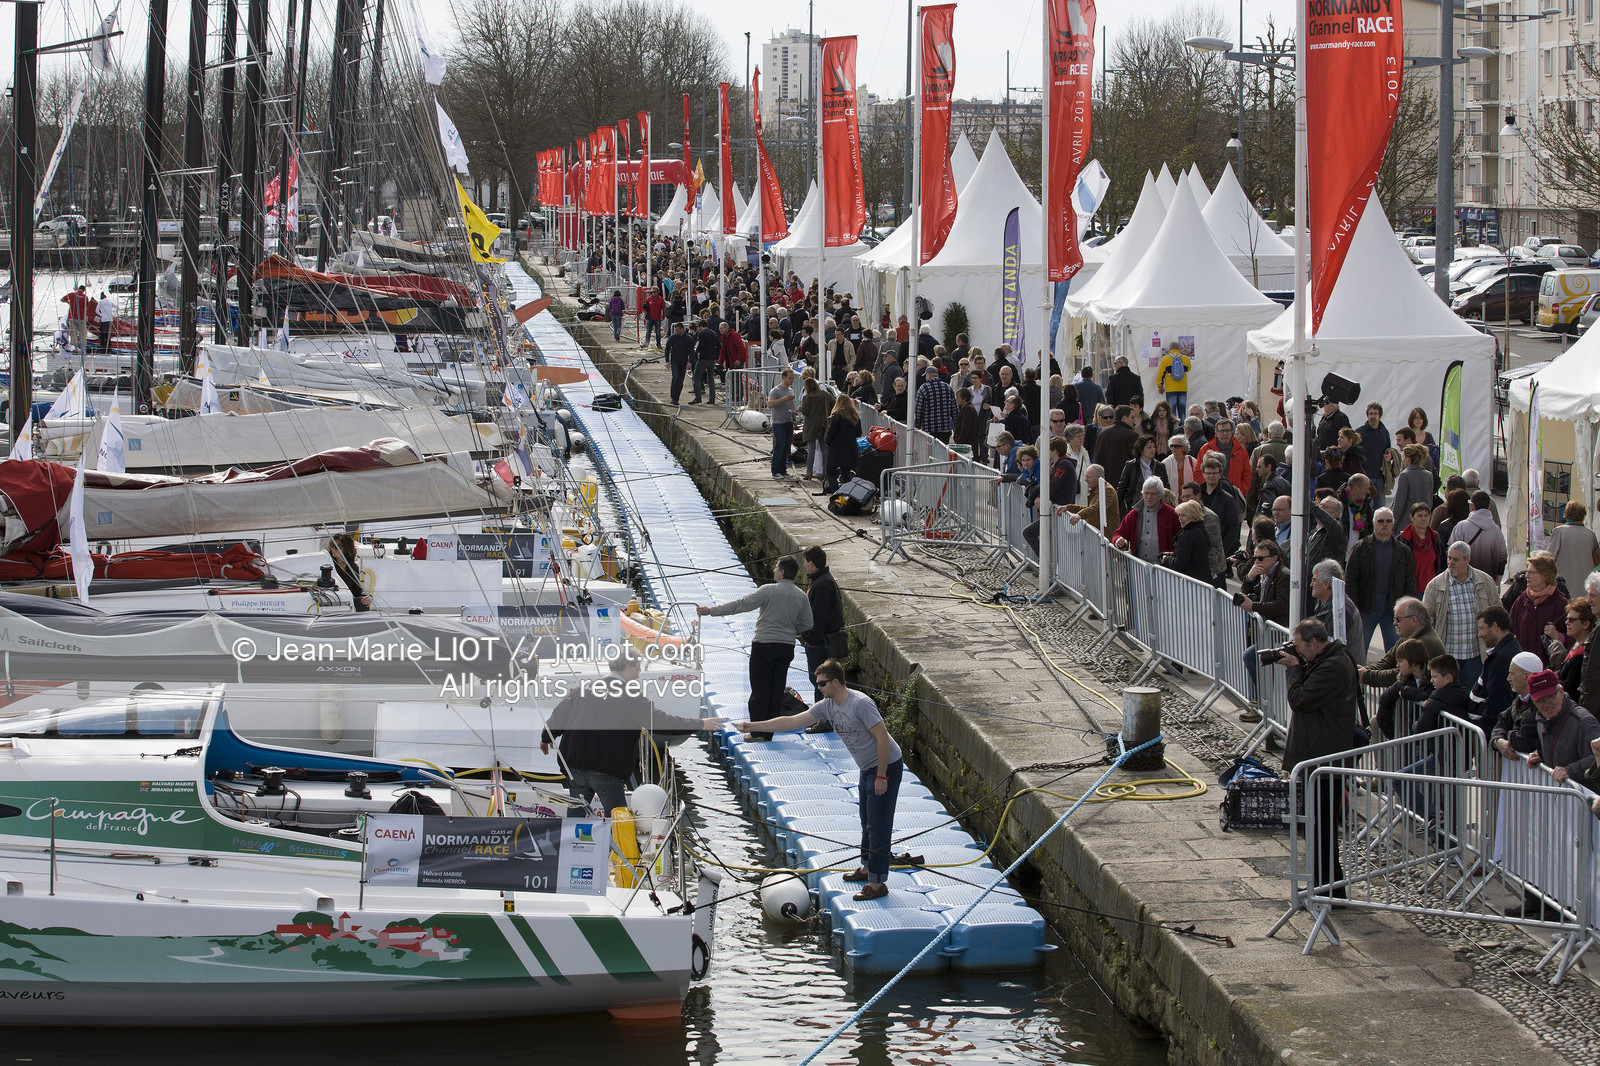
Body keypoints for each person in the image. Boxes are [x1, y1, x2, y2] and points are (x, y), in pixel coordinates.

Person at [734, 659, 902, 901]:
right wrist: (753, 724)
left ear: (835, 682)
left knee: (879, 824)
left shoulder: (861, 704)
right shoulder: (828, 705)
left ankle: (877, 884)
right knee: (867, 820)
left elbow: (883, 739)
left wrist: (882, 776)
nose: (819, 688)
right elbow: (792, 721)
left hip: (886, 766)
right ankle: (867, 867)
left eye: (822, 683)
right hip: (867, 767)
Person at [540, 648, 722, 816]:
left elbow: (559, 716)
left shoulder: (584, 688)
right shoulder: (630, 696)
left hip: (574, 766)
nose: (638, 674)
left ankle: (573, 847)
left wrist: (546, 737)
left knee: (575, 819)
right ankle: (621, 851)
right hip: (605, 770)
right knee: (619, 822)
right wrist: (701, 723)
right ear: (627, 666)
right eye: (637, 669)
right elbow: (661, 722)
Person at [1278, 617, 1359, 897]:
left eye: (1300, 647)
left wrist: (1294, 669)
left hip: (1324, 757)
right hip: (1320, 754)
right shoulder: (1328, 658)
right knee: (1317, 825)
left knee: (1321, 826)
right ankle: (1325, 885)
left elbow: (1299, 699)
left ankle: (1329, 889)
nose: (1297, 652)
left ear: (1314, 643)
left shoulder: (1333, 666)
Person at [699, 556, 814, 735]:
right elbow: (808, 624)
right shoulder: (801, 596)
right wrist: (790, 628)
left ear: (782, 572)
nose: (774, 571)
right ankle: (770, 732)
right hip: (786, 648)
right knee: (776, 691)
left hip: (764, 645)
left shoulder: (768, 590)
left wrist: (711, 611)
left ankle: (757, 733)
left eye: (776, 568)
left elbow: (741, 605)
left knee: (760, 690)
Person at [1423, 542, 1499, 691]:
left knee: (1472, 698)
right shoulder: (1435, 585)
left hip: (1476, 655)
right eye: (1449, 558)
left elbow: (1497, 613)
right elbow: (1426, 622)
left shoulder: (1485, 581)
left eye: (1456, 560)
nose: (1451, 563)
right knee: (1448, 700)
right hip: (1448, 656)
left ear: (1467, 560)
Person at [1345, 507, 1417, 653]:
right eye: (1381, 521)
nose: (1385, 524)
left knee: (1396, 650)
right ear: (1374, 524)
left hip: (1393, 607)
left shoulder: (1403, 551)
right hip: (1366, 606)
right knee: (1359, 649)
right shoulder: (1360, 548)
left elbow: (1410, 582)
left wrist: (1408, 607)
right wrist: (1354, 608)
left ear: (1393, 524)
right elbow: (1350, 580)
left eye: (1388, 521)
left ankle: (1395, 676)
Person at [1526, 668, 1600, 785]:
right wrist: (1542, 756)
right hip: (1562, 797)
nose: (1546, 704)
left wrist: (1569, 770)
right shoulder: (1542, 719)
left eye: (1550, 697)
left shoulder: (1583, 721)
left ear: (1561, 691)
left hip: (1584, 798)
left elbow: (1596, 758)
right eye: (1540, 701)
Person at [1360, 597, 1445, 689]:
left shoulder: (1420, 643)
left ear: (1413, 620)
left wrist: (1365, 675)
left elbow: (1400, 674)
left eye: (1398, 619)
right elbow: (1387, 662)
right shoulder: (1408, 637)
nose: (1394, 623)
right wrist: (1362, 671)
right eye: (1394, 619)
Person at [1467, 607, 1521, 738]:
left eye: (1482, 628)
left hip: (1486, 734)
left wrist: (1482, 735)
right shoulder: (1503, 651)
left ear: (1495, 626)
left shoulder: (1504, 657)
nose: (1479, 634)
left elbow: (1497, 703)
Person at [801, 546, 846, 699]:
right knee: (820, 682)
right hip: (822, 641)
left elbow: (820, 617)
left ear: (811, 563)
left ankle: (825, 721)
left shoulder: (821, 585)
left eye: (805, 562)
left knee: (820, 683)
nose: (804, 565)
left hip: (821, 644)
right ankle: (823, 718)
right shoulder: (822, 580)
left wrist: (810, 639)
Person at [1507, 554, 1568, 667]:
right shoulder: (1520, 602)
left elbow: (1576, 637)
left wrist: (1558, 636)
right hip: (1523, 669)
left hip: (1548, 670)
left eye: (1531, 572)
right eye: (1527, 572)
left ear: (1545, 575)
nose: (1526, 576)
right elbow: (1511, 632)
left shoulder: (1561, 604)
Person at [1023, 437, 1077, 556]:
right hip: (1056, 510)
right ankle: (1047, 565)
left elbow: (1052, 486)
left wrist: (1038, 493)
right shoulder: (1058, 464)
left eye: (1048, 450)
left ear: (1055, 451)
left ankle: (1045, 564)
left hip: (1060, 511)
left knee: (1028, 532)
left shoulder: (1064, 465)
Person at [1113, 478, 1180, 563]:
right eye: (1146, 493)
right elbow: (1119, 533)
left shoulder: (1172, 514)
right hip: (1139, 566)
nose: (1148, 497)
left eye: (1152, 494)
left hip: (1164, 567)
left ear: (1160, 495)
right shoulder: (1134, 514)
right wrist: (1119, 540)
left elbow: (1181, 539)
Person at [1547, 501, 1600, 598]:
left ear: (1566, 513)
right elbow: (1596, 560)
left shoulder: (1559, 532)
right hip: (1585, 586)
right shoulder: (1590, 534)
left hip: (1563, 586)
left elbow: (1549, 559)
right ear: (1583, 515)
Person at [1451, 491, 1507, 579]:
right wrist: (1498, 581)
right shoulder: (1496, 530)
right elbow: (1503, 557)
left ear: (1472, 506)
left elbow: (1452, 553)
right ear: (1489, 507)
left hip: (1464, 580)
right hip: (1489, 581)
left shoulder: (1462, 527)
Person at [1550, 596, 1594, 704]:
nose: (1566, 623)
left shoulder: (1585, 653)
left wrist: (1552, 679)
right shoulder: (1576, 644)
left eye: (1572, 620)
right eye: (1567, 619)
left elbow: (1570, 687)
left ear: (1586, 624)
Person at [1398, 500, 1444, 591]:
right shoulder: (1403, 539)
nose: (1424, 519)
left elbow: (1442, 563)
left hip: (1433, 590)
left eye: (1426, 515)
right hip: (1412, 590)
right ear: (1412, 517)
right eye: (1420, 515)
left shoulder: (1435, 537)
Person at [1062, 464, 1120, 535]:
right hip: (1098, 536)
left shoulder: (1108, 490)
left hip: (1107, 538)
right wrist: (1068, 507)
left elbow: (1098, 507)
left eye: (1088, 477)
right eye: (1085, 476)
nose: (1085, 479)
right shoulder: (1095, 489)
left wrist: (1079, 515)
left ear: (1100, 477)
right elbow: (1089, 508)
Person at [821, 392, 862, 494]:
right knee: (845, 472)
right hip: (850, 448)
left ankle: (836, 492)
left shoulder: (836, 416)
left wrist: (827, 441)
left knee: (830, 471)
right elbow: (859, 433)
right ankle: (848, 493)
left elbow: (831, 433)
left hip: (836, 448)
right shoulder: (855, 417)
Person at [1164, 500, 1213, 582]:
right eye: (1179, 515)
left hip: (1191, 582)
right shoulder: (1202, 530)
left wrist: (1166, 559)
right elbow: (1194, 554)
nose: (1180, 519)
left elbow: (1180, 564)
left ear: (1193, 516)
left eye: (1183, 515)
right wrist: (1172, 554)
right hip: (1203, 580)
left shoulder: (1187, 535)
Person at [1116, 434, 1167, 511]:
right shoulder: (1131, 465)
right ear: (1141, 449)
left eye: (1154, 447)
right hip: (1135, 505)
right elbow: (1122, 487)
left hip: (1155, 506)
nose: (1152, 449)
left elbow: (1165, 486)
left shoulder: (1159, 466)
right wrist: (1116, 505)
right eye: (1149, 447)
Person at [1196, 418, 1250, 490]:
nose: (1225, 433)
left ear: (1231, 432)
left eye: (1227, 431)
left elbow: (1247, 473)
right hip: (1211, 492)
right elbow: (1198, 472)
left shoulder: (1241, 450)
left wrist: (1242, 490)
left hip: (1234, 492)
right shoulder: (1205, 449)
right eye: (1222, 431)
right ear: (1216, 433)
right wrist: (1206, 489)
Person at [1389, 445, 1432, 532]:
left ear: (1408, 459)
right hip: (1422, 523)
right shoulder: (1429, 475)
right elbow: (1430, 500)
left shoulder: (1405, 475)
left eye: (1403, 456)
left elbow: (1399, 503)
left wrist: (1393, 523)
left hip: (1406, 522)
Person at [1354, 403, 1391, 504]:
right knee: (1366, 508)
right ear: (1367, 415)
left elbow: (1388, 449)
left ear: (1380, 416)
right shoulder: (1359, 432)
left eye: (1375, 413)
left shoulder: (1384, 432)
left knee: (1381, 508)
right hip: (1365, 477)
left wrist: (1390, 455)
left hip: (1380, 477)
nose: (1373, 416)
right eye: (1370, 413)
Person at [327, 533, 372, 611]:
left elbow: (357, 592)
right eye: (332, 546)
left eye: (337, 547)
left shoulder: (353, 567)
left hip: (347, 602)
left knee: (363, 603)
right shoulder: (328, 566)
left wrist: (367, 598)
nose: (333, 549)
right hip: (332, 601)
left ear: (346, 548)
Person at [799, 376, 832, 482]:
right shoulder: (825, 395)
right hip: (823, 424)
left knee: (811, 449)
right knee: (824, 449)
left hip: (811, 425)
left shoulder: (808, 398)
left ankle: (809, 472)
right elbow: (834, 403)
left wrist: (799, 409)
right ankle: (825, 471)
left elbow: (805, 411)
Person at [767, 367, 797, 480]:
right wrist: (784, 398)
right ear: (783, 377)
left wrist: (794, 418)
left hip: (788, 421)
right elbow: (770, 404)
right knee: (779, 446)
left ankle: (783, 470)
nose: (792, 380)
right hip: (778, 422)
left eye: (793, 378)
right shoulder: (775, 391)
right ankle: (775, 471)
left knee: (786, 447)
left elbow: (792, 404)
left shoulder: (791, 390)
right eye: (790, 378)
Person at [1093, 404, 1140, 475]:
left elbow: (1098, 457)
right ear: (1124, 418)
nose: (1134, 420)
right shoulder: (1132, 436)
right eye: (1132, 417)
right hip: (1125, 480)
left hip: (1106, 479)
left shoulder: (1103, 432)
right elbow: (1137, 460)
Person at [915, 365, 957, 443]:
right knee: (943, 452)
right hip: (945, 428)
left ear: (928, 375)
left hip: (929, 428)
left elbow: (919, 408)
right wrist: (955, 423)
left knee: (930, 453)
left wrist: (918, 423)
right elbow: (954, 408)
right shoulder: (948, 388)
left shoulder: (923, 388)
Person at [690, 318, 720, 404]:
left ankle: (698, 398)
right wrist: (715, 355)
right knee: (711, 379)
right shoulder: (714, 333)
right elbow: (719, 346)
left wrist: (697, 351)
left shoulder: (701, 333)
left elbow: (700, 344)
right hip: (712, 358)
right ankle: (712, 399)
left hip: (703, 358)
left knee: (696, 377)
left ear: (701, 326)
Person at [1155, 345, 1190, 416]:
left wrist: (1160, 386)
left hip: (1171, 389)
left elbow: (1160, 374)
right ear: (1179, 349)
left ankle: (1173, 425)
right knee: (1182, 410)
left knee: (1171, 410)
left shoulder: (1166, 358)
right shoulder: (1185, 358)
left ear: (1170, 349)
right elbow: (1189, 368)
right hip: (1183, 388)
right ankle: (1183, 425)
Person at [60, 284, 92, 351]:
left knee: (73, 332)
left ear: (78, 289)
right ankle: (83, 348)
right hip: (81, 318)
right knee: (83, 332)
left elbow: (62, 299)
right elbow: (86, 307)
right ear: (84, 290)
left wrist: (69, 302)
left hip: (72, 317)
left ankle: (75, 347)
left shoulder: (71, 295)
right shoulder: (85, 297)